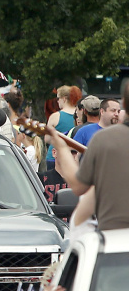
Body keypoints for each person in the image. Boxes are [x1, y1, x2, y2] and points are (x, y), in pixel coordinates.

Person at [46, 84, 129, 231]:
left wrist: (61, 148)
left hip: (113, 236)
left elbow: (78, 186)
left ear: (124, 104)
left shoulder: (104, 139)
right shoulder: (97, 136)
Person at [45, 85, 80, 165]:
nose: (57, 101)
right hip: (72, 157)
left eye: (58, 98)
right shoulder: (79, 115)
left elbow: (47, 139)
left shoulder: (55, 116)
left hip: (54, 157)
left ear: (64, 99)